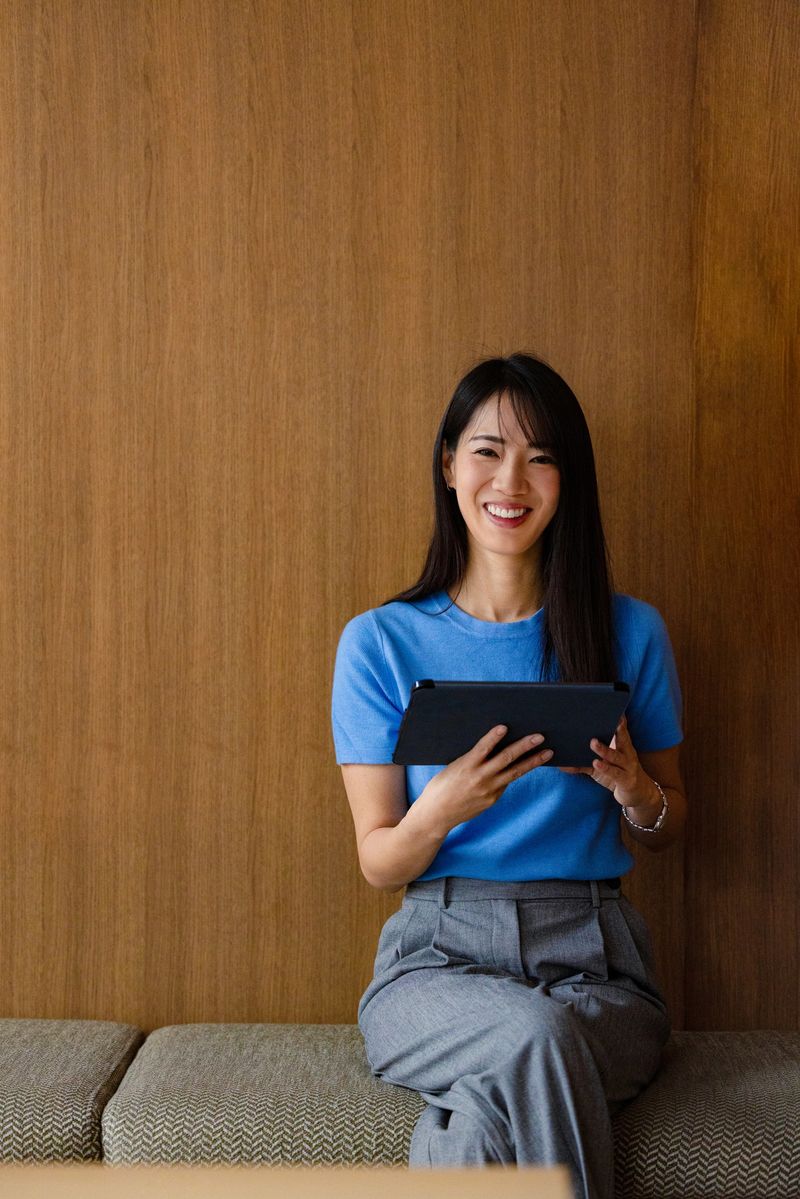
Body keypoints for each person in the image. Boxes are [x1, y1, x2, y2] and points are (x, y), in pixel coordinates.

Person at [330, 353, 686, 1199]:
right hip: (433, 963)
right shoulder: (379, 642)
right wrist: (441, 809)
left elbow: (671, 823)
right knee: (532, 1036)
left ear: (569, 480)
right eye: (488, 451)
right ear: (450, 465)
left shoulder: (632, 632)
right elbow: (379, 859)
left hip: (597, 963)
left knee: (489, 1109)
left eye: (541, 456)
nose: (511, 480)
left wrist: (634, 789)